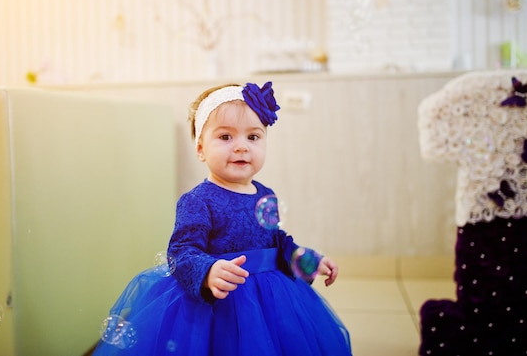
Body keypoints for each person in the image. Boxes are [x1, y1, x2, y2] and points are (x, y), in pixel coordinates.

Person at [93, 81, 352, 356]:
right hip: (221, 301)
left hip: (270, 300)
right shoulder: (198, 200)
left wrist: (309, 259)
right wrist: (207, 271)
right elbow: (182, 251)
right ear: (201, 148)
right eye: (226, 137)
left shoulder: (266, 194)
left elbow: (278, 241)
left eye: (253, 137)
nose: (241, 147)